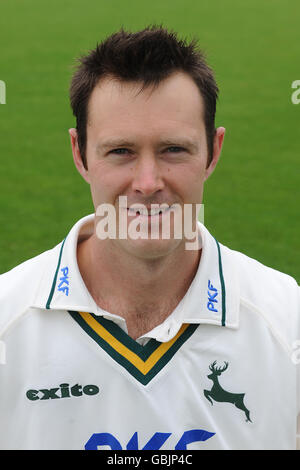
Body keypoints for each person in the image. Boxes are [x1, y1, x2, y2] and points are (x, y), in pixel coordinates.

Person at [0, 26, 299, 451]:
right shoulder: (6, 323)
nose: (147, 182)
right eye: (120, 151)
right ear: (79, 154)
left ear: (213, 152)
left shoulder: (288, 325)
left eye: (173, 149)